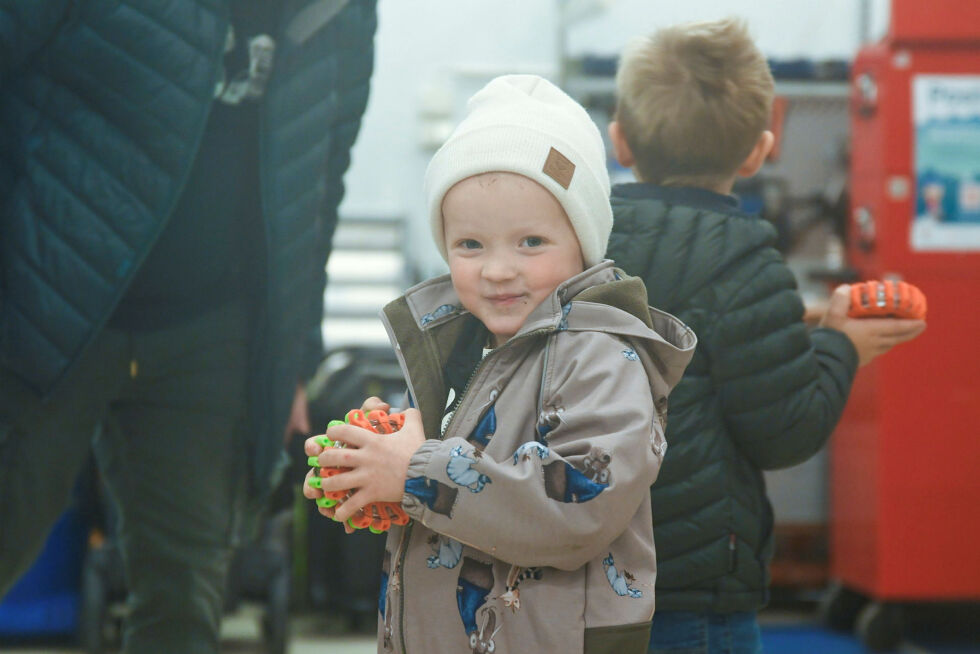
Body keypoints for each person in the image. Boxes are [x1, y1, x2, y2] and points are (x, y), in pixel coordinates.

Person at [0, 1, 377, 652]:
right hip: (48, 304)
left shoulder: (342, 11)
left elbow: (319, 177)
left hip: (214, 329)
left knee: (186, 602)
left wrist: (291, 359)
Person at [303, 74, 697, 654]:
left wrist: (414, 470)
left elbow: (574, 513)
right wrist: (380, 466)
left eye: (531, 242)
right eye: (470, 245)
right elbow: (460, 492)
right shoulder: (471, 348)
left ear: (584, 243)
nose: (497, 269)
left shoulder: (600, 355)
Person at [603, 18, 927, 653]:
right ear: (760, 149)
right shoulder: (748, 266)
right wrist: (843, 345)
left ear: (620, 142)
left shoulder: (582, 246)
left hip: (585, 568)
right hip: (694, 589)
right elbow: (784, 430)